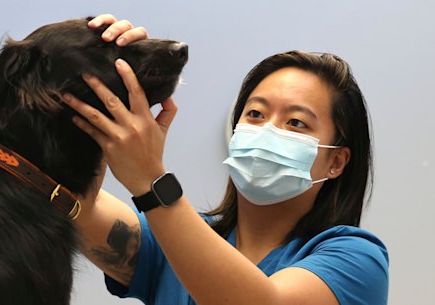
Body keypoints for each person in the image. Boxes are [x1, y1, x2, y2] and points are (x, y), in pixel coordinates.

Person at [65, 14, 389, 305]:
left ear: (337, 162)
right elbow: (69, 197)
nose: (266, 132)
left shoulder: (356, 261)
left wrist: (152, 181)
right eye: (256, 114)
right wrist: (93, 64)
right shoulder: (169, 239)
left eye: (296, 123)